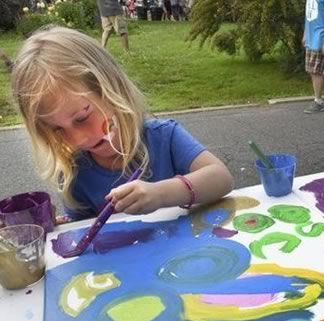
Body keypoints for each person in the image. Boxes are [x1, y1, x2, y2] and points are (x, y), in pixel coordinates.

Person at [11, 27, 234, 221]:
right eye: (58, 130)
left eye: (82, 117)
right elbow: (85, 229)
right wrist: (60, 227)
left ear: (113, 90)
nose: (78, 139)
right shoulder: (75, 172)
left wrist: (161, 194)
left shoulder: (163, 137)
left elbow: (221, 178)